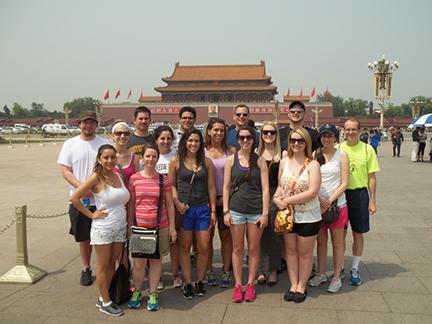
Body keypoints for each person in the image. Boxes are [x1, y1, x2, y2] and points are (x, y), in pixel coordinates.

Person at [70, 144, 129, 316]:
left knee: (112, 264)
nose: (110, 161)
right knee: (103, 266)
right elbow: (74, 198)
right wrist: (91, 214)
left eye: (113, 157)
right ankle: (105, 302)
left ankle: (104, 295)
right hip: (103, 228)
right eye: (106, 157)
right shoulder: (96, 177)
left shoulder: (118, 176)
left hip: (120, 227)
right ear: (99, 159)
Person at [57, 111, 110, 286]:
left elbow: (109, 169)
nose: (88, 126)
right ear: (79, 124)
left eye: (92, 123)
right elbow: (65, 170)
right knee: (84, 237)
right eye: (85, 123)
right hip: (80, 200)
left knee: (105, 236)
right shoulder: (70, 144)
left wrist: (93, 188)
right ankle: (86, 268)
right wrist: (82, 188)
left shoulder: (104, 143)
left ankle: (107, 268)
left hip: (101, 199)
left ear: (96, 124)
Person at [273, 128, 321, 304]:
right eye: (293, 140)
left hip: (308, 215)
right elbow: (280, 186)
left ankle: (302, 285)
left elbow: (313, 191)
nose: (296, 144)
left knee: (305, 253)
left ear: (306, 143)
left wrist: (287, 200)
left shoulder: (313, 164)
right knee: (291, 252)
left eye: (300, 141)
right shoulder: (284, 162)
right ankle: (293, 284)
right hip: (289, 216)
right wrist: (276, 198)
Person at [127, 144, 177, 311]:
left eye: (154, 156)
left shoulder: (164, 179)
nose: (150, 159)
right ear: (142, 158)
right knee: (139, 263)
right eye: (147, 156)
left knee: (156, 262)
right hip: (140, 227)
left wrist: (172, 228)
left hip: (160, 226)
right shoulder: (134, 179)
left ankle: (153, 292)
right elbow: (132, 204)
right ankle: (137, 291)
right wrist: (129, 226)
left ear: (157, 158)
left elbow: (170, 205)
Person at [223, 125, 269, 303]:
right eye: (241, 138)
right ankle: (238, 284)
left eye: (248, 138)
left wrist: (265, 213)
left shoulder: (259, 161)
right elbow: (226, 187)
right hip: (236, 210)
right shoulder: (231, 160)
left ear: (253, 139)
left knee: (253, 248)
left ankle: (250, 284)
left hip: (256, 211)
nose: (244, 141)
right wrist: (226, 211)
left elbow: (266, 190)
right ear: (237, 140)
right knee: (237, 248)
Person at [169, 129, 217, 299]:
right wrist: (177, 202)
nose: (193, 144)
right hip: (185, 210)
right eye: (190, 141)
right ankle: (188, 282)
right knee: (184, 247)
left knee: (204, 248)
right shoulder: (176, 162)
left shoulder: (207, 162)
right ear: (184, 142)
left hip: (203, 209)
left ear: (201, 143)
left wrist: (212, 210)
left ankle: (200, 280)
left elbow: (211, 187)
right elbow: (172, 185)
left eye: (197, 141)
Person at [308, 124, 349, 293]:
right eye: (323, 136)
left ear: (335, 137)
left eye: (330, 136)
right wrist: (319, 199)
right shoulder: (314, 155)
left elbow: (345, 182)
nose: (326, 139)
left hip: (337, 205)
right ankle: (321, 273)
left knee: (338, 243)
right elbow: (309, 179)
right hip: (317, 204)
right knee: (321, 241)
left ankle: (337, 276)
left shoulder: (342, 155)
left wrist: (330, 201)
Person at [340, 118, 380, 286]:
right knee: (339, 234)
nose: (350, 132)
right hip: (341, 195)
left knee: (358, 233)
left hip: (360, 195)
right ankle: (339, 265)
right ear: (343, 131)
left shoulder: (367, 149)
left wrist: (372, 201)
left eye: (353, 129)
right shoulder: (337, 148)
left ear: (359, 130)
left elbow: (372, 177)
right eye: (347, 129)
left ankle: (354, 268)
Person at [204, 118, 236, 288]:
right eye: (215, 130)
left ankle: (226, 271)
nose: (218, 133)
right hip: (207, 201)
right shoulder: (202, 152)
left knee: (226, 236)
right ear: (209, 131)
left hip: (226, 200)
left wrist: (226, 197)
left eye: (221, 130)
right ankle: (208, 270)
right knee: (207, 238)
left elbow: (235, 177)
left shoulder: (230, 151)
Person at [154, 125, 183, 288]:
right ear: (156, 140)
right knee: (155, 242)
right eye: (162, 138)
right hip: (154, 207)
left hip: (172, 204)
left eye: (169, 138)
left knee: (174, 241)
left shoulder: (177, 157)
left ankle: (175, 274)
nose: (166, 141)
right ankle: (156, 277)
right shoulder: (149, 157)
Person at [256, 121, 282, 287]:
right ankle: (260, 269)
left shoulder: (283, 155)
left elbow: (282, 181)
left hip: (275, 194)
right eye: (265, 133)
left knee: (273, 234)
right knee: (257, 234)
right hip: (257, 195)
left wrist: (277, 198)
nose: (269, 136)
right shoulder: (255, 153)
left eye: (272, 132)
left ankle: (272, 269)